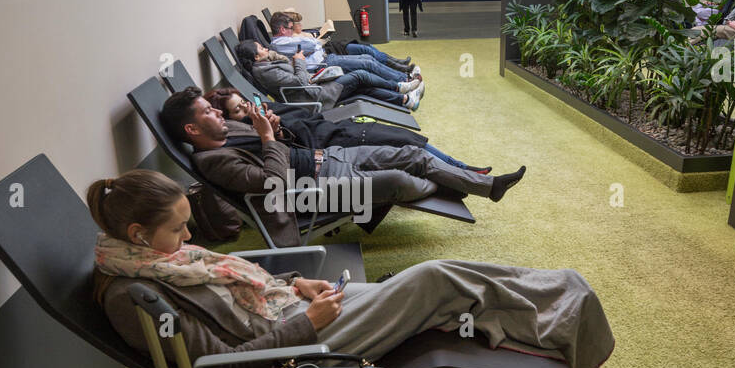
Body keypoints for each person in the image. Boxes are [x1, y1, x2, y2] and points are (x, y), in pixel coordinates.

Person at [88, 170, 614, 368]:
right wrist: (306, 324)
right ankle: (559, 315)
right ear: (138, 232)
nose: (189, 235)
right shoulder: (136, 297)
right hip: (282, 362)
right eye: (178, 228)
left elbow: (236, 288)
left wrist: (296, 287)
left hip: (286, 317)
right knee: (430, 280)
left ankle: (536, 308)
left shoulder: (157, 260)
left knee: (424, 289)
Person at [159, 87, 526, 247]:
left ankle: (488, 187)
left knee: (413, 156)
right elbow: (270, 184)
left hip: (330, 158)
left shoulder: (231, 128)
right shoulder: (213, 160)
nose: (217, 111)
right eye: (208, 112)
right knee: (403, 180)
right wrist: (269, 137)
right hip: (316, 192)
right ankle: (446, 185)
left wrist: (275, 126)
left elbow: (281, 143)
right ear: (192, 129)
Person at [206, 87, 492, 175]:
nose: (249, 108)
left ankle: (459, 166)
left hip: (332, 126)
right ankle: (463, 171)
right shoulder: (257, 132)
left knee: (405, 137)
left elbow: (300, 118)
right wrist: (275, 133)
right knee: (405, 142)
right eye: (240, 110)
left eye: (245, 102)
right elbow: (290, 156)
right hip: (332, 142)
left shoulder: (265, 114)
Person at [238, 39, 423, 110]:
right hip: (314, 95)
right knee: (360, 75)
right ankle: (400, 86)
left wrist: (294, 62)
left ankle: (406, 100)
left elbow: (293, 73)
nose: (266, 49)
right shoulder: (265, 72)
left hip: (315, 85)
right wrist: (300, 61)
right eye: (262, 48)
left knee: (364, 87)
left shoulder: (266, 64)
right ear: (256, 57)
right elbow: (298, 82)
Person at [268, 12, 421, 92]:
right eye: (289, 28)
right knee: (367, 63)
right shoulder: (281, 44)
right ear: (282, 29)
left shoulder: (285, 41)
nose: (292, 30)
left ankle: (403, 77)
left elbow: (311, 44)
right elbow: (310, 45)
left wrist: (311, 42)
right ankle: (403, 81)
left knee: (367, 56)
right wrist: (311, 41)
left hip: (326, 57)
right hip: (322, 64)